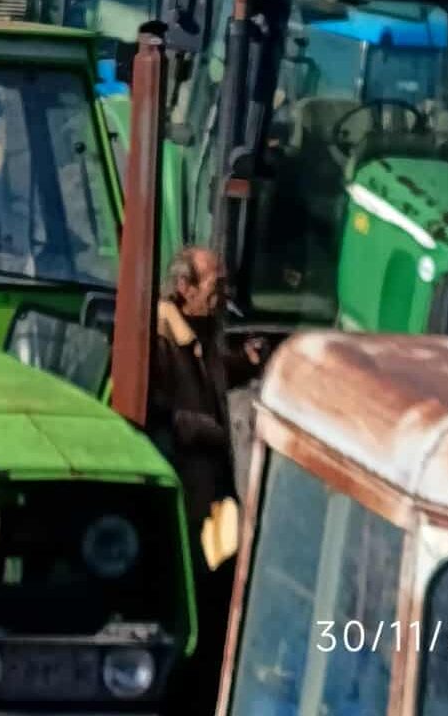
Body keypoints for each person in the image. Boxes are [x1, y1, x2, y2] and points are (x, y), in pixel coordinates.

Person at [149, 246, 239, 716]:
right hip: (186, 504)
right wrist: (203, 428)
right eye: (214, 287)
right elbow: (158, 415)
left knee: (221, 596)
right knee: (193, 607)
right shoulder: (160, 338)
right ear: (184, 288)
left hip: (215, 503)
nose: (222, 297)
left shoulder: (206, 337)